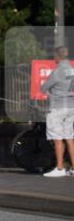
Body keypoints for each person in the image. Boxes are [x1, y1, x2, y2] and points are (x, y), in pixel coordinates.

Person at [42, 45, 74, 177]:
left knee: (57, 137)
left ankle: (59, 168)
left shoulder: (57, 71)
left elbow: (44, 87)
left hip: (57, 108)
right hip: (71, 106)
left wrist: (48, 91)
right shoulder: (72, 70)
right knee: (69, 137)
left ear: (57, 56)